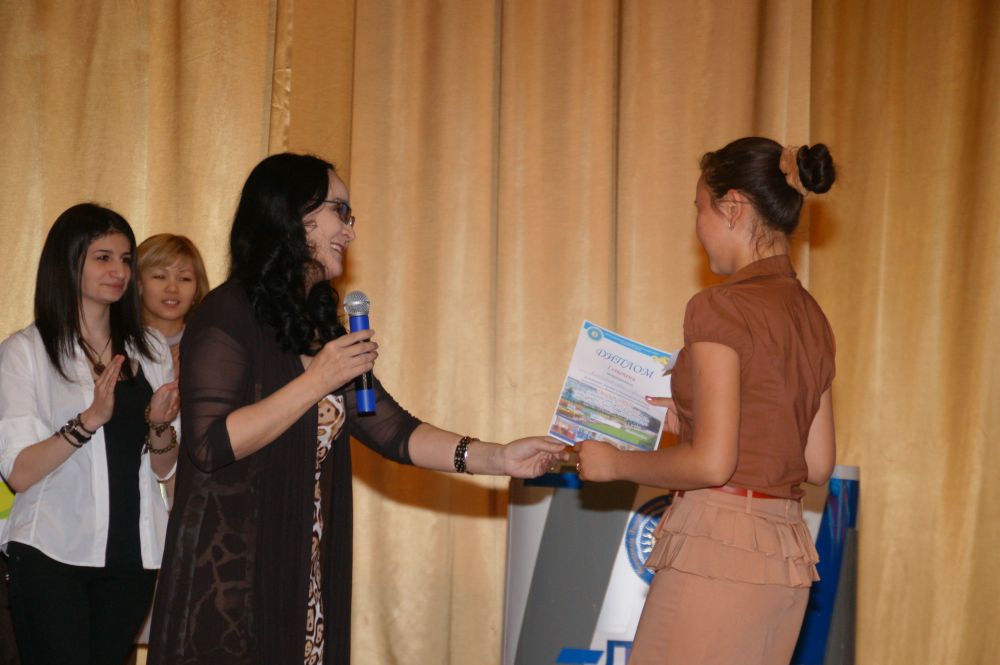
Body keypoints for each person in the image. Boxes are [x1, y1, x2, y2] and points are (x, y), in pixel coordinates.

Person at [147, 152, 567, 665]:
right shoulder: (226, 313)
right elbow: (211, 444)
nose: (350, 230)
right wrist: (316, 380)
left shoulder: (317, 325)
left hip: (302, 576)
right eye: (340, 211)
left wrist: (498, 457)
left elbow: (390, 429)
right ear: (293, 214)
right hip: (232, 583)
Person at [577, 137, 837, 665]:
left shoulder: (720, 306)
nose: (697, 227)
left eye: (699, 207)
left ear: (732, 206)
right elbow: (816, 463)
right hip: (781, 556)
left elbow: (713, 464)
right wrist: (696, 422)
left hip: (717, 550)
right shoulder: (812, 316)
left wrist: (613, 464)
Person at [0, 204, 180, 665]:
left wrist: (160, 424)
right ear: (68, 261)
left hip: (133, 555)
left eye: (125, 259)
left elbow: (164, 467)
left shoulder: (151, 348)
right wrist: (88, 421)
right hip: (51, 552)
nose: (119, 271)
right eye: (103, 257)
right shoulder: (25, 352)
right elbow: (19, 472)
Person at [137, 234, 210, 376]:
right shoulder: (115, 344)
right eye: (160, 277)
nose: (172, 288)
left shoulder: (208, 345)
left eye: (184, 279)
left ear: (197, 291)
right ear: (138, 284)